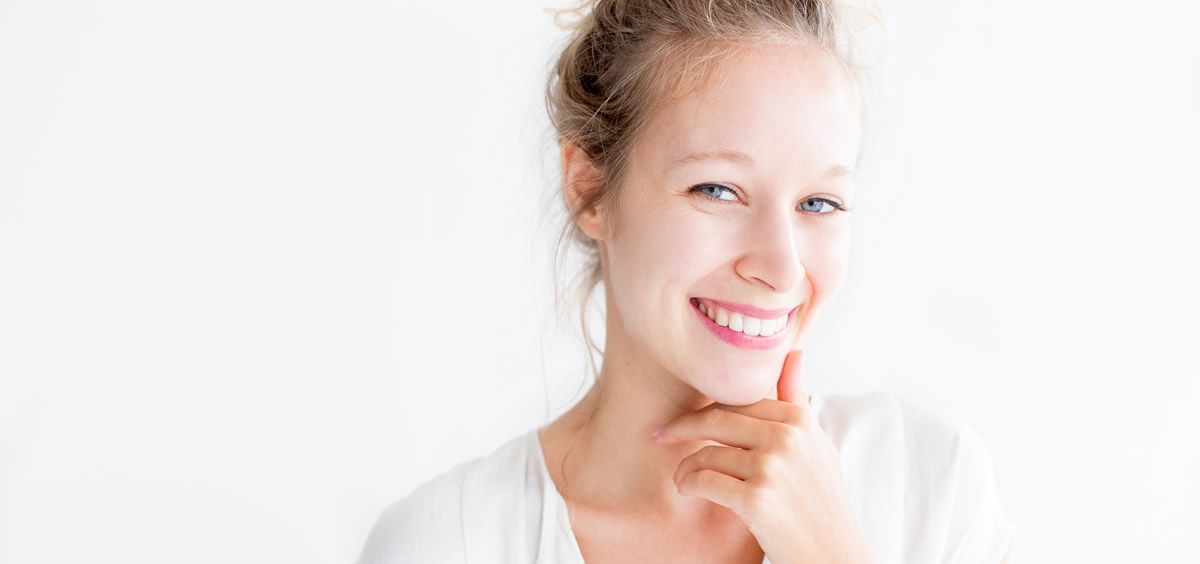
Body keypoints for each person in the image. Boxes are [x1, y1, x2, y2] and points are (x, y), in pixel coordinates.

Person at [357, 0, 1017, 562]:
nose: (782, 267)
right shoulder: (449, 541)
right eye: (718, 190)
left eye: (819, 202)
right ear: (589, 190)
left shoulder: (930, 485)